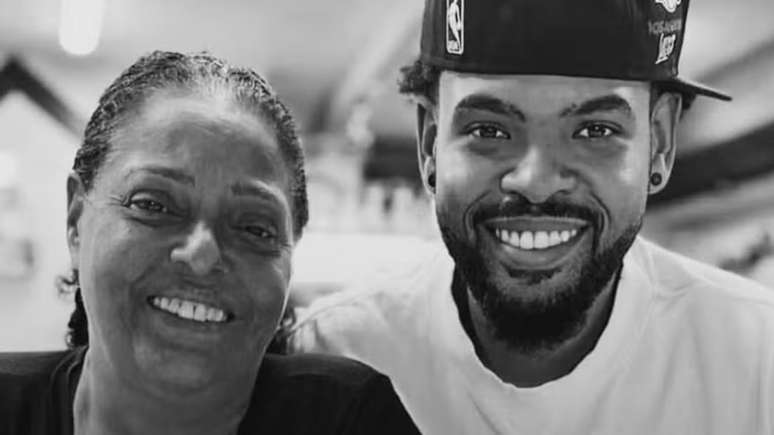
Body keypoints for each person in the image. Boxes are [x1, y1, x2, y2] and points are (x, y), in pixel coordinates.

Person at [287, 0, 774, 433]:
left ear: (660, 143)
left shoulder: (757, 362)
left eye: (596, 131)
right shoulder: (332, 354)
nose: (536, 183)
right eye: (489, 131)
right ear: (430, 142)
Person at [0, 51, 418, 435]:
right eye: (154, 205)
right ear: (76, 220)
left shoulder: (345, 420)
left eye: (255, 228)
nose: (202, 254)